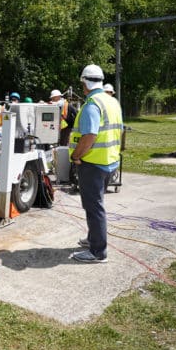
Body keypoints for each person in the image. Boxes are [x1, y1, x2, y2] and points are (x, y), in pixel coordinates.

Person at [69, 64, 123, 263]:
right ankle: (93, 239)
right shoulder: (112, 102)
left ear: (84, 82)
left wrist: (76, 155)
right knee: (96, 204)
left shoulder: (92, 104)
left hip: (93, 163)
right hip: (110, 161)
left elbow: (89, 136)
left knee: (94, 207)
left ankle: (98, 252)